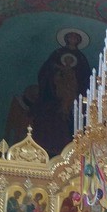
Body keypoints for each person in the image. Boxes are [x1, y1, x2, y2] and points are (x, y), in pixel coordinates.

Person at [32, 29, 92, 157]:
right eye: (71, 36)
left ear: (78, 40)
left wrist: (73, 75)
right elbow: (46, 71)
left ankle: (72, 147)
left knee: (71, 118)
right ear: (66, 38)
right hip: (54, 93)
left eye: (75, 37)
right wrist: (57, 72)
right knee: (52, 116)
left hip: (72, 96)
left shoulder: (81, 58)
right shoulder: (57, 54)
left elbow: (85, 77)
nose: (73, 39)